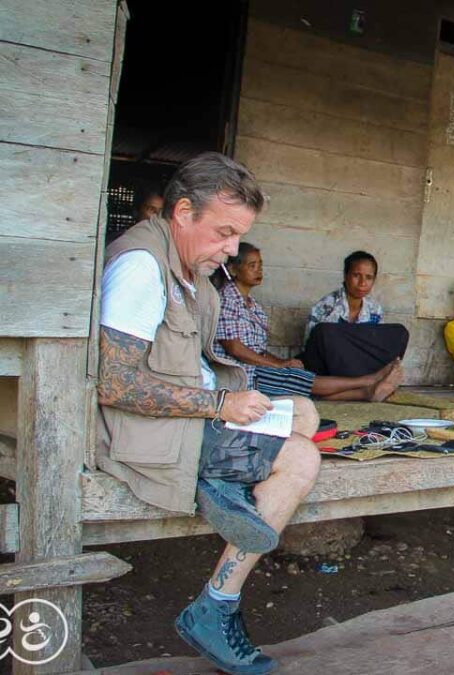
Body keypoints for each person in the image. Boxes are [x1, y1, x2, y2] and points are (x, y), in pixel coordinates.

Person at [96, 152, 322, 674]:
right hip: (153, 435)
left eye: (238, 236)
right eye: (223, 232)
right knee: (302, 459)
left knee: (304, 411)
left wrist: (233, 395)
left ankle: (229, 486)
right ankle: (216, 605)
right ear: (181, 213)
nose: (232, 249)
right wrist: (222, 404)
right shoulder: (139, 268)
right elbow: (114, 383)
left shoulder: (184, 265)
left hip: (191, 418)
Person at [214, 243, 402, 401]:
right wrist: (278, 366)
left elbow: (258, 351)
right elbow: (234, 348)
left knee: (301, 380)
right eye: (252, 265)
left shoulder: (253, 306)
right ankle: (368, 382)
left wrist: (283, 362)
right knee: (301, 379)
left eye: (260, 265)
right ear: (232, 269)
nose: (259, 270)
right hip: (243, 373)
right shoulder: (227, 299)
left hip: (256, 368)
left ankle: (366, 392)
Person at [301, 250, 410, 378]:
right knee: (323, 331)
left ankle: (368, 378)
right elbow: (310, 350)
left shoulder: (375, 309)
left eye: (368, 277)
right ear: (345, 275)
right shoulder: (325, 306)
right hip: (330, 368)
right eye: (356, 275)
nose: (362, 283)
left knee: (400, 332)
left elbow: (376, 348)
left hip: (361, 365)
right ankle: (363, 382)